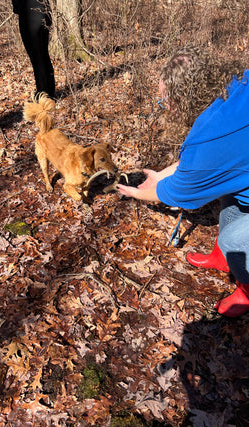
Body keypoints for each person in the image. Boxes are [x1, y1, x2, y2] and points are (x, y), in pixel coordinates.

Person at [117, 46, 249, 318]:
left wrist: (137, 192)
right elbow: (214, 166)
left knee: (234, 239)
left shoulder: (207, 141)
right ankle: (222, 259)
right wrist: (161, 174)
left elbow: (176, 192)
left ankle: (246, 289)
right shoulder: (238, 84)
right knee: (231, 189)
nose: (163, 107)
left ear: (181, 100)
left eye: (164, 101)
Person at [12, 0, 55, 98]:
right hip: (42, 12)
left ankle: (43, 95)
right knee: (42, 55)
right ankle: (47, 93)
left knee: (37, 58)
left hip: (31, 14)